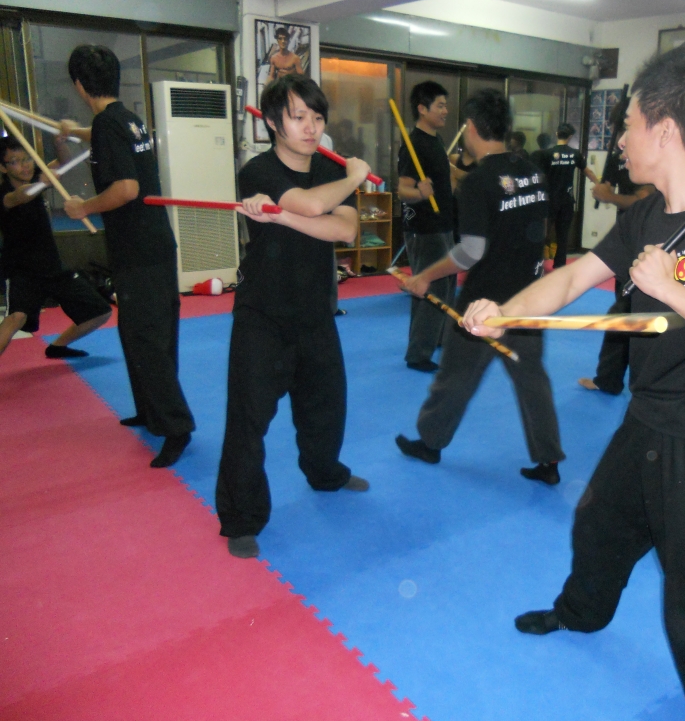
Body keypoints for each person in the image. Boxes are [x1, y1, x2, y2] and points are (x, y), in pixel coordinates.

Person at [463, 45, 685, 721]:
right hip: (647, 418)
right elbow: (575, 277)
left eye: (628, 124)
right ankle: (581, 613)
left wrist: (671, 290)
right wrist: (506, 310)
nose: (620, 140)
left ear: (663, 130)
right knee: (598, 524)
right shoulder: (646, 215)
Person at [215, 74, 371, 559]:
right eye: (299, 116)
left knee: (327, 405)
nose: (310, 127)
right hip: (263, 314)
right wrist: (355, 176)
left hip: (316, 312)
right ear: (272, 122)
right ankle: (242, 518)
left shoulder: (328, 169)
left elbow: (346, 230)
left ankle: (325, 473)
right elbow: (313, 205)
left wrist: (281, 216)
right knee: (248, 419)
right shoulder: (258, 171)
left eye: (317, 117)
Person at [395, 88, 565, 486]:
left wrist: (424, 276)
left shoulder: (478, 182)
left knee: (455, 375)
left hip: (483, 304)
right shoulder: (532, 172)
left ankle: (431, 442)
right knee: (531, 378)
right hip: (529, 296)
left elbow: (471, 251)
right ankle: (549, 460)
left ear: (470, 128)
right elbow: (539, 228)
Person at [62, 44, 195, 469]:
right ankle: (151, 411)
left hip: (139, 251)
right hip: (152, 245)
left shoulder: (108, 125)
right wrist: (76, 131)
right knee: (141, 333)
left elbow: (126, 189)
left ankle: (176, 426)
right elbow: (108, 140)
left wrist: (82, 208)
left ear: (80, 85)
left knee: (147, 340)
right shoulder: (127, 120)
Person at [0, 136, 111, 362]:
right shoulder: (5, 194)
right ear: (3, 168)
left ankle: (58, 346)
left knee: (101, 312)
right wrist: (43, 183)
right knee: (16, 318)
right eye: (15, 161)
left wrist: (60, 142)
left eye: (27, 158)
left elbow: (64, 161)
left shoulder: (35, 177)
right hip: (21, 271)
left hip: (52, 267)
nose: (25, 165)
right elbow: (21, 196)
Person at [579, 99, 655, 396]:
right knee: (622, 313)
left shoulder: (651, 160)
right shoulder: (619, 156)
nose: (621, 139)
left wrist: (609, 198)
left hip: (650, 246)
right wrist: (604, 189)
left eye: (626, 127)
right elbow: (610, 187)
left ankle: (620, 381)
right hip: (628, 241)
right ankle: (609, 379)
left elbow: (643, 200)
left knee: (625, 315)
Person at [397, 81, 456, 373]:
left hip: (443, 222)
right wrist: (420, 193)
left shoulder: (436, 140)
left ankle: (439, 338)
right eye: (440, 105)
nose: (445, 111)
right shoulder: (414, 145)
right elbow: (402, 190)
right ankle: (418, 354)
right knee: (431, 286)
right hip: (423, 227)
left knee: (447, 282)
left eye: (445, 105)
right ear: (422, 109)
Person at [535, 122, 599, 267]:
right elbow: (587, 171)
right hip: (567, 200)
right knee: (563, 236)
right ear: (570, 137)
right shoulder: (575, 154)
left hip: (549, 200)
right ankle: (560, 266)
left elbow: (539, 176)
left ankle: (537, 264)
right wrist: (598, 183)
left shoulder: (547, 154)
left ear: (557, 134)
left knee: (543, 234)